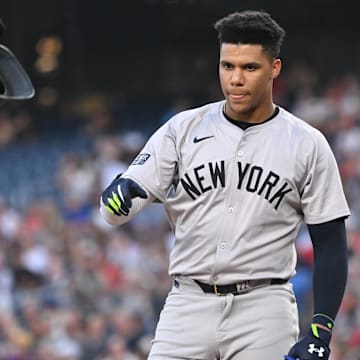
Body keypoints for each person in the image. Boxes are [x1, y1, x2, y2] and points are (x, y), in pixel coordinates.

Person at [100, 10, 350, 360]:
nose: (235, 78)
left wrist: (320, 331)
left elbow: (330, 244)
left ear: (274, 69)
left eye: (249, 67)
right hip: (187, 303)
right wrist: (119, 196)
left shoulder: (307, 143)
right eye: (227, 66)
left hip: (264, 309)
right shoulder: (182, 129)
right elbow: (120, 203)